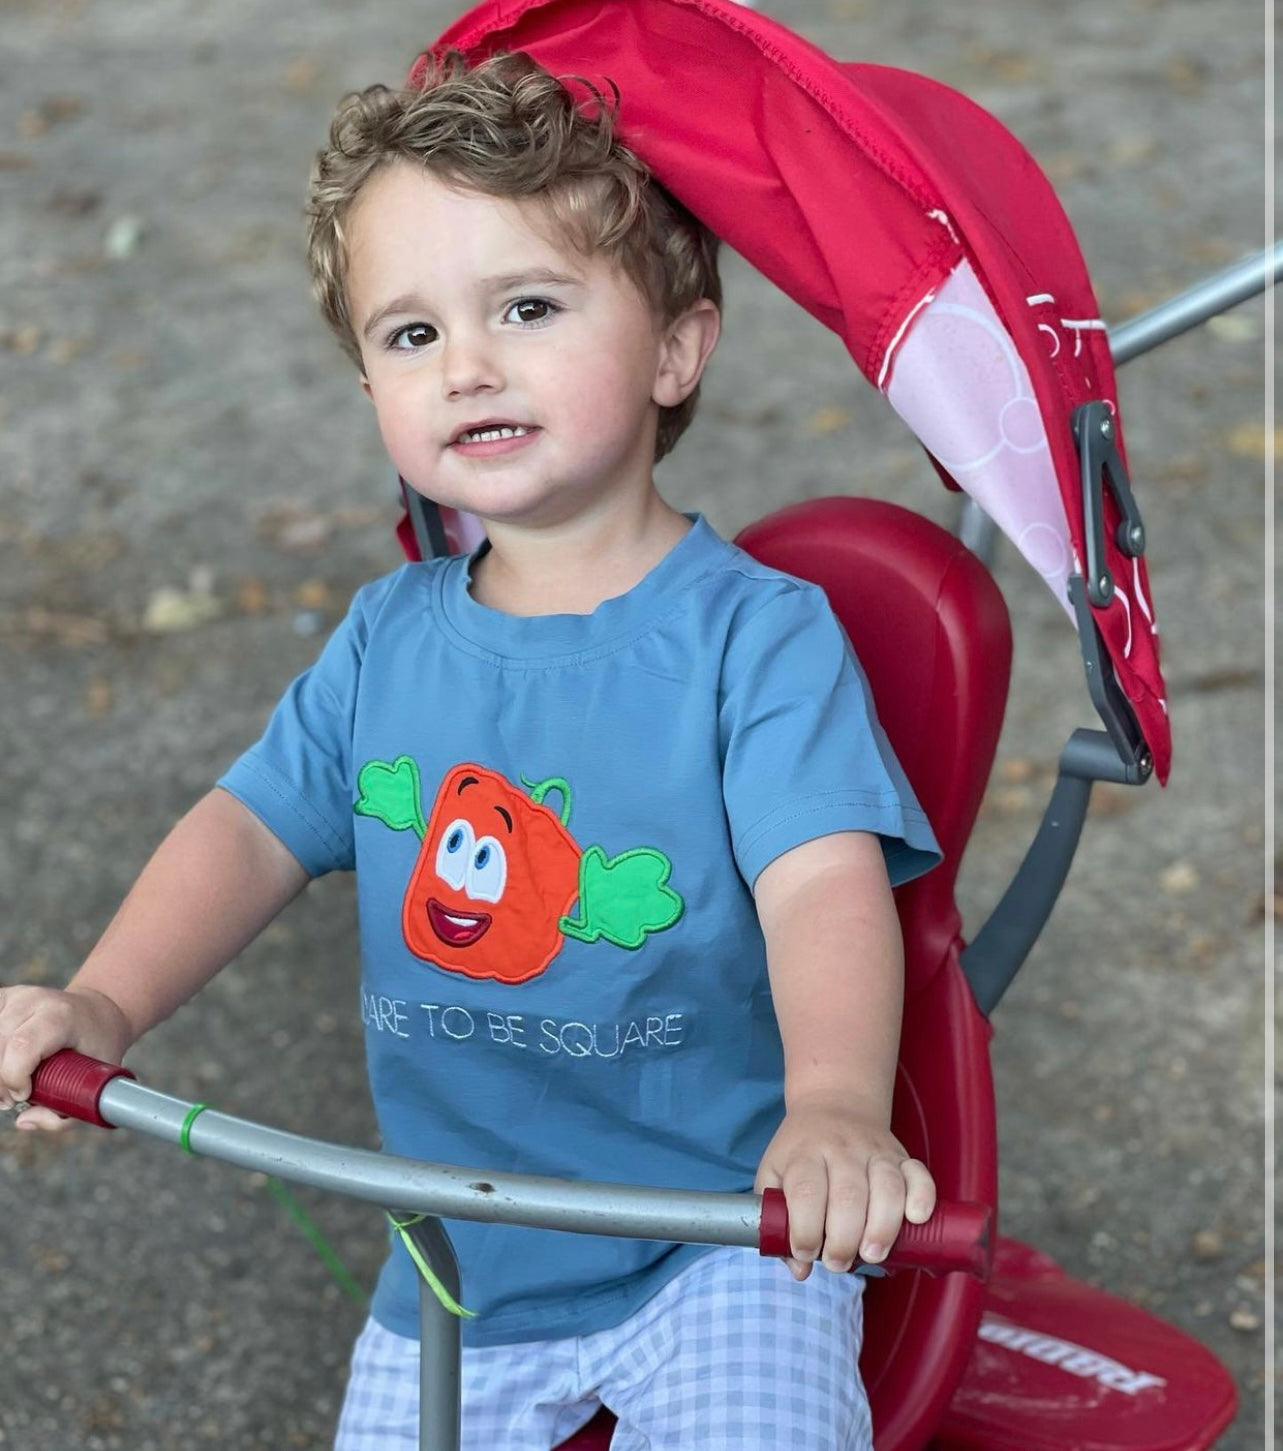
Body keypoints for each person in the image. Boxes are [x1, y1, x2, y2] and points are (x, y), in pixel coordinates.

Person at [0, 50, 941, 1451]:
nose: (471, 365)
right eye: (411, 334)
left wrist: (833, 1112)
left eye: (530, 306)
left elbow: (822, 885)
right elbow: (250, 828)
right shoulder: (388, 644)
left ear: (679, 346)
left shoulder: (757, 641)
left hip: (721, 1235)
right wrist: (104, 1007)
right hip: (464, 1266)